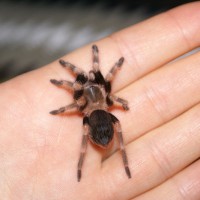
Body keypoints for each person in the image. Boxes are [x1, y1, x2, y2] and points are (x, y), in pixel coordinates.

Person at [0, 2, 200, 199]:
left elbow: (79, 85)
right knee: (105, 110)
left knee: (90, 121)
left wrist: (63, 91)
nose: (89, 81)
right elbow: (107, 78)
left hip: (97, 113)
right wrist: (119, 100)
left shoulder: (85, 103)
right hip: (100, 111)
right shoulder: (107, 98)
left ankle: (86, 163)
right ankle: (113, 158)